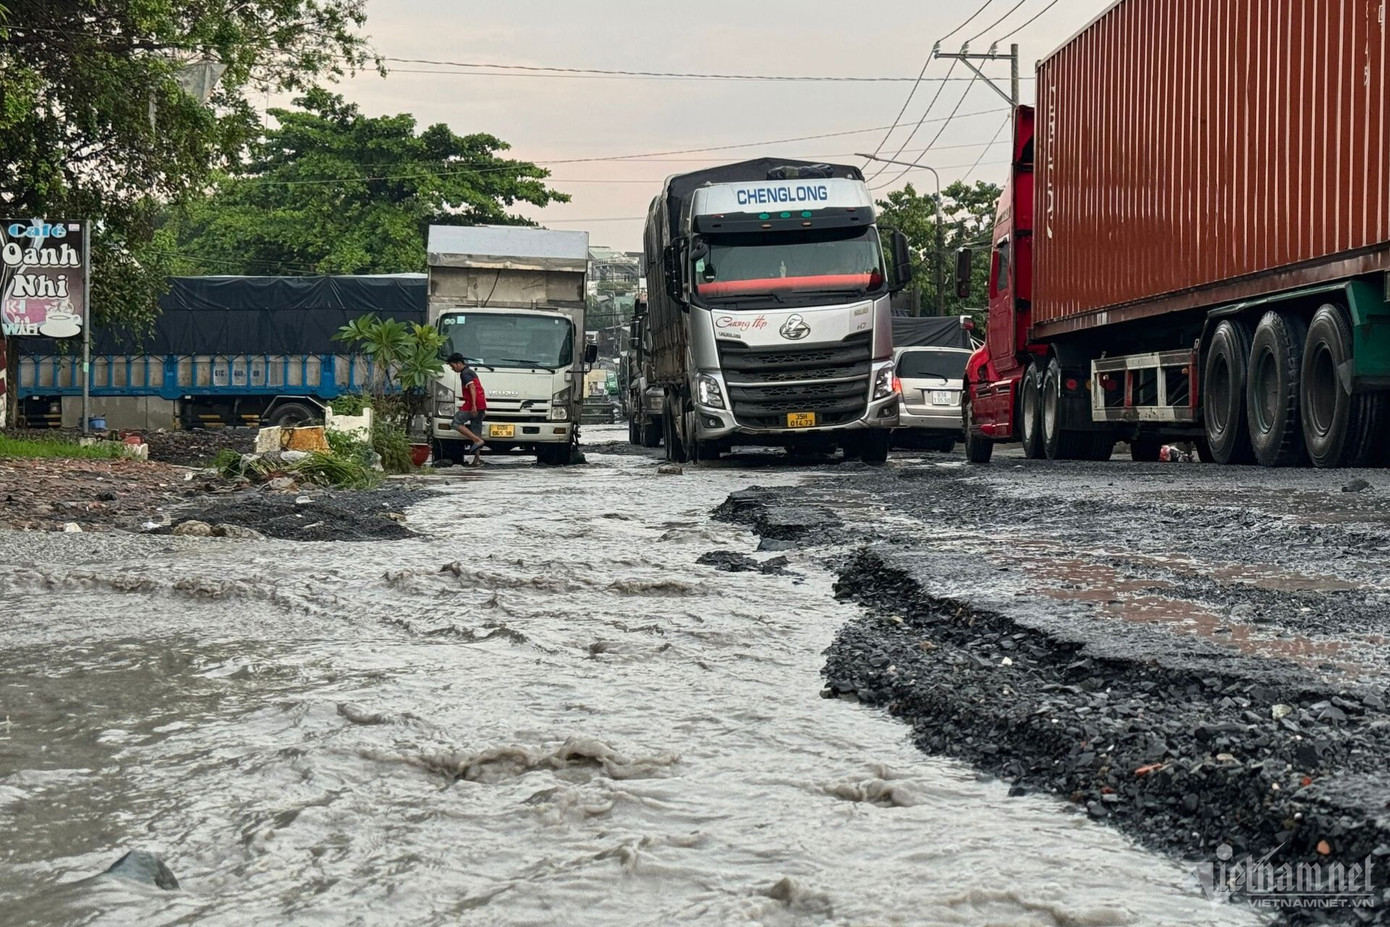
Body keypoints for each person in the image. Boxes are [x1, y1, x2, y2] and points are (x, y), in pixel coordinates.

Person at [446, 353, 489, 465]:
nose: (452, 368)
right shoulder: (471, 372)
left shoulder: (464, 374)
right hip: (480, 403)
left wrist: (473, 405)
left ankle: (477, 440)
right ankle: (477, 459)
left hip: (472, 404)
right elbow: (480, 388)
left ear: (459, 363)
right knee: (476, 429)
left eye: (453, 366)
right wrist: (482, 408)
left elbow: (472, 388)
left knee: (456, 423)